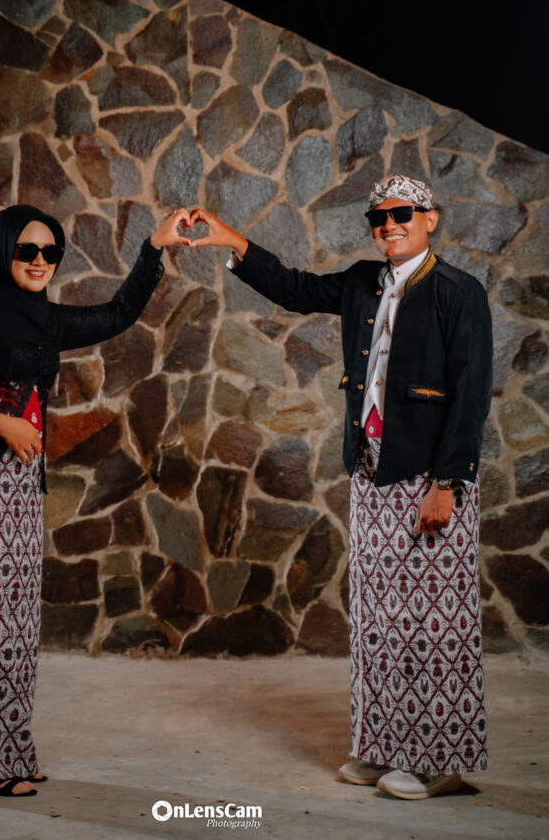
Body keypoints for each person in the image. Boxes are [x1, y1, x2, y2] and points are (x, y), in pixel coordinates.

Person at [190, 175, 492, 800]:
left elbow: (470, 392)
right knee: (379, 616)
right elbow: (295, 288)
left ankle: (438, 760)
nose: (389, 225)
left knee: (434, 620)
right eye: (378, 217)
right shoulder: (362, 282)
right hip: (371, 466)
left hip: (431, 474)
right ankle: (384, 746)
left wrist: (448, 483)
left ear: (430, 218)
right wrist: (230, 239)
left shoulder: (459, 291)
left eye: (402, 213)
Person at [0, 203, 190, 796]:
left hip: (16, 482)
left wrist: (155, 246)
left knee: (13, 622)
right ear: (2, 250)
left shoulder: (46, 318)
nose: (40, 262)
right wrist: (0, 424)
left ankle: (7, 749)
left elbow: (118, 313)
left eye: (50, 252)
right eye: (27, 250)